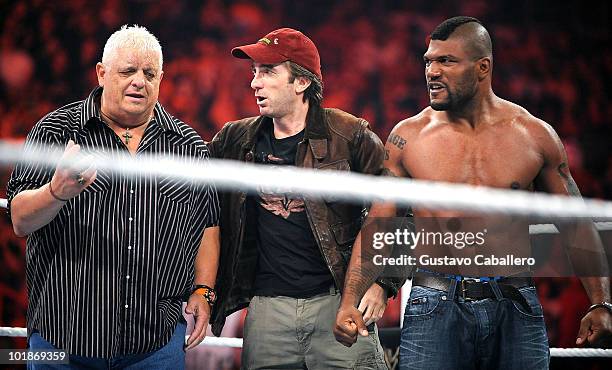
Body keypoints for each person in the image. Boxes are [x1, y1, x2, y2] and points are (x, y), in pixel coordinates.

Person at [334, 16, 612, 369]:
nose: (432, 71)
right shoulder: (408, 138)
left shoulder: (534, 137)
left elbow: (575, 224)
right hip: (434, 302)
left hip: (514, 302)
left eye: (446, 61)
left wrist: (601, 302)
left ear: (483, 67)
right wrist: (350, 299)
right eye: (428, 61)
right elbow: (378, 225)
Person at [7, 25, 220, 369]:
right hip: (63, 338)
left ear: (161, 79)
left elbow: (207, 225)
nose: (139, 81)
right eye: (128, 71)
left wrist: (203, 290)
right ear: (102, 73)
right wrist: (55, 192)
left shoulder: (188, 147)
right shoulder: (56, 131)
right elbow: (19, 220)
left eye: (149, 73)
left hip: (155, 343)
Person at [208, 28, 400, 369]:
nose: (255, 82)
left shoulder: (349, 135)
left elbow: (399, 208)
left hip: (338, 301)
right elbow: (195, 198)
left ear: (301, 82)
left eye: (267, 72)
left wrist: (384, 283)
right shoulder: (235, 140)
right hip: (268, 310)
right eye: (254, 72)